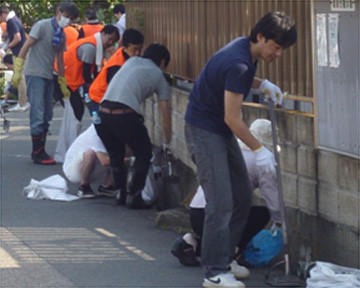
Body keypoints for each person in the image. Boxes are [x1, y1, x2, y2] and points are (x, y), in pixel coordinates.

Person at [184, 11, 297, 288]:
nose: (279, 54)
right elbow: (232, 118)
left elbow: (233, 85)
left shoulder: (245, 52)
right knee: (221, 202)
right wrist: (259, 149)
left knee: (242, 196)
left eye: (283, 49)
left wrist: (263, 85)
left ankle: (225, 258)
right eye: (276, 46)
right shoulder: (239, 63)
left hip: (217, 131)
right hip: (205, 131)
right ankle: (214, 272)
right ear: (260, 36)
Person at [171, 119, 282, 267]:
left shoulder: (230, 151)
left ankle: (189, 242)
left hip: (197, 212)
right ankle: (234, 252)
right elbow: (271, 195)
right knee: (261, 214)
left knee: (221, 232)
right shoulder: (262, 160)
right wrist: (279, 220)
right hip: (220, 214)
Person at [95, 43, 171, 209]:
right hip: (124, 115)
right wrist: (167, 141)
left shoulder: (130, 62)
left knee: (116, 154)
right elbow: (165, 113)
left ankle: (120, 194)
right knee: (143, 152)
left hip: (102, 115)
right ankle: (134, 196)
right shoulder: (159, 75)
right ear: (163, 62)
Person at [12, 2, 79, 165]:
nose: (67, 21)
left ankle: (41, 149)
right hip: (35, 74)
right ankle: (37, 152)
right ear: (58, 12)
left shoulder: (60, 34)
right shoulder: (42, 26)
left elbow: (60, 59)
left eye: (71, 19)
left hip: (49, 75)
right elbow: (26, 46)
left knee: (48, 114)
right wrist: (18, 69)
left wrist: (63, 81)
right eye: (66, 16)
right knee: (38, 112)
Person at [54, 25, 119, 163]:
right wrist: (91, 90)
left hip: (69, 80)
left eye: (113, 42)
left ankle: (68, 148)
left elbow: (94, 71)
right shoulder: (90, 47)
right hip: (63, 79)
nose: (110, 43)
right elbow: (86, 72)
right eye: (110, 39)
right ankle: (70, 150)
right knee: (75, 113)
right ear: (103, 34)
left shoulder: (95, 46)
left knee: (74, 113)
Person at [88, 28, 144, 112]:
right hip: (99, 99)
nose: (138, 53)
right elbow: (116, 91)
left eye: (140, 49)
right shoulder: (116, 66)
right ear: (125, 48)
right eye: (134, 49)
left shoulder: (126, 55)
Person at [63, 124, 115, 198]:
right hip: (74, 170)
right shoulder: (95, 131)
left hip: (97, 164)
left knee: (120, 153)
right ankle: (84, 185)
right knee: (90, 153)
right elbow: (104, 161)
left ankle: (107, 186)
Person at [0, 6, 29, 111]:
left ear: (3, 14)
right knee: (21, 77)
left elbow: (17, 38)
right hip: (22, 51)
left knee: (20, 77)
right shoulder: (15, 19)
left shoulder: (11, 21)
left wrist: (8, 46)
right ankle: (24, 102)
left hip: (19, 52)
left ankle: (22, 103)